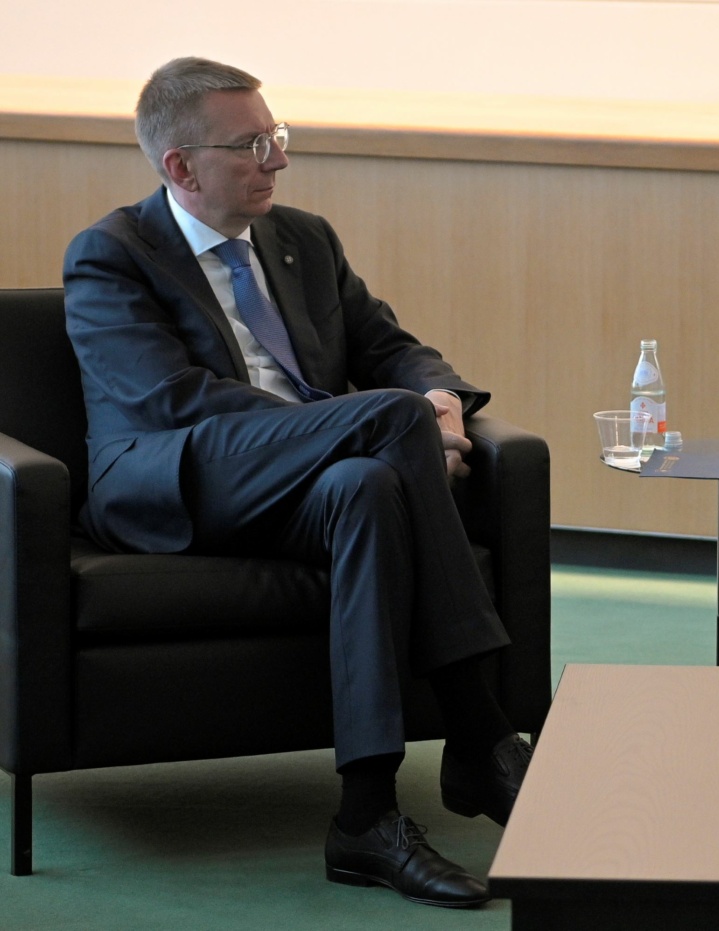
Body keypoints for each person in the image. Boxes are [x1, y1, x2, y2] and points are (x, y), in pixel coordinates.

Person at [63, 57, 534, 909]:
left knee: (369, 486)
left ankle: (366, 814)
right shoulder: (112, 254)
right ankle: (480, 731)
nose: (277, 159)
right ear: (181, 166)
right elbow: (173, 403)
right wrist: (365, 421)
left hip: (312, 475)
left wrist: (438, 396)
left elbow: (389, 346)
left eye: (276, 136)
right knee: (385, 427)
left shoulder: (303, 239)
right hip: (177, 478)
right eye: (252, 145)